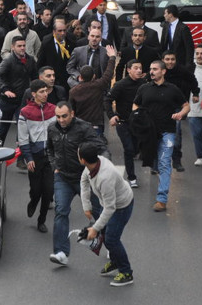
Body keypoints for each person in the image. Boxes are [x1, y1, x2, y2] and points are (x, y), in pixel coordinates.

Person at [46, 101, 105, 266]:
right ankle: (61, 253)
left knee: (98, 211)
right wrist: (54, 166)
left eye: (64, 116)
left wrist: (101, 169)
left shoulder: (84, 128)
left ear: (72, 114)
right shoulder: (52, 128)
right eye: (58, 116)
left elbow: (101, 147)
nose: (61, 120)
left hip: (84, 178)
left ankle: (112, 246)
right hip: (63, 177)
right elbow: (49, 149)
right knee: (61, 211)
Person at [133, 60, 189, 212]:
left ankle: (162, 199)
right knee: (154, 160)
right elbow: (136, 104)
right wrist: (137, 115)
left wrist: (180, 114)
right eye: (150, 69)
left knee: (165, 163)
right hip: (149, 134)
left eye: (155, 69)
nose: (151, 72)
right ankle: (155, 166)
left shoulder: (172, 89)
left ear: (163, 71)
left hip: (167, 132)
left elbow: (186, 106)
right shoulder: (144, 88)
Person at [78, 142, 135, 287]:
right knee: (106, 232)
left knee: (111, 240)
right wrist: (86, 206)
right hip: (109, 204)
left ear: (83, 159)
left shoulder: (105, 177)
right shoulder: (93, 164)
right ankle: (115, 261)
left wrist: (94, 228)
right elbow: (84, 181)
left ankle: (126, 272)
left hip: (121, 207)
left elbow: (110, 208)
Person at [18, 79, 57, 233]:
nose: (45, 94)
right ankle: (33, 202)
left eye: (46, 91)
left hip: (50, 157)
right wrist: (28, 158)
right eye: (41, 92)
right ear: (33, 94)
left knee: (48, 190)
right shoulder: (25, 112)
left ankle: (41, 220)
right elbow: (22, 138)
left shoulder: (53, 109)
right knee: (36, 190)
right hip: (35, 157)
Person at [105, 59, 147, 188]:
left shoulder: (144, 84)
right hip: (123, 123)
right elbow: (107, 100)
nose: (139, 70)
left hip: (139, 123)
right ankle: (132, 177)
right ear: (128, 70)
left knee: (135, 149)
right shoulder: (120, 85)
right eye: (135, 68)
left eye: (140, 68)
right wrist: (112, 116)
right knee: (128, 149)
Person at [0, 36, 38, 143]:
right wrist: (5, 90)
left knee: (22, 128)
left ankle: (20, 155)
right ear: (12, 47)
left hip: (23, 100)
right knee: (2, 129)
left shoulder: (30, 60)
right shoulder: (8, 60)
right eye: (19, 46)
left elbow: (35, 77)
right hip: (7, 100)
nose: (22, 48)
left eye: (24, 46)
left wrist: (34, 91)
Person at [69, 46, 117, 134]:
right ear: (94, 76)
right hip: (96, 125)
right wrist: (112, 57)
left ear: (80, 77)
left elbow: (72, 110)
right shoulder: (98, 85)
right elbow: (108, 74)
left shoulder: (73, 91)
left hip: (80, 125)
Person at [159, 5, 194, 71]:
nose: (164, 15)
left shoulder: (183, 28)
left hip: (180, 62)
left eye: (165, 13)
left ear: (170, 14)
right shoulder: (166, 26)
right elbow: (163, 44)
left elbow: (189, 47)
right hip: (167, 63)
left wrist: (188, 64)